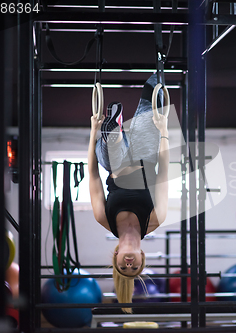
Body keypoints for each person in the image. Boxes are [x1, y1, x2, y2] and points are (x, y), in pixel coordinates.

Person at [87, 74, 169, 313]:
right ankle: (159, 55)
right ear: (143, 256)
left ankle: (113, 130)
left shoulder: (105, 218)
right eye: (135, 268)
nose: (130, 265)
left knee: (111, 150)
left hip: (115, 162)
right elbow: (163, 173)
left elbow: (92, 176)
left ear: (116, 257)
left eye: (124, 268)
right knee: (156, 85)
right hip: (146, 154)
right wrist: (164, 130)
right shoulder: (155, 219)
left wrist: (92, 132)